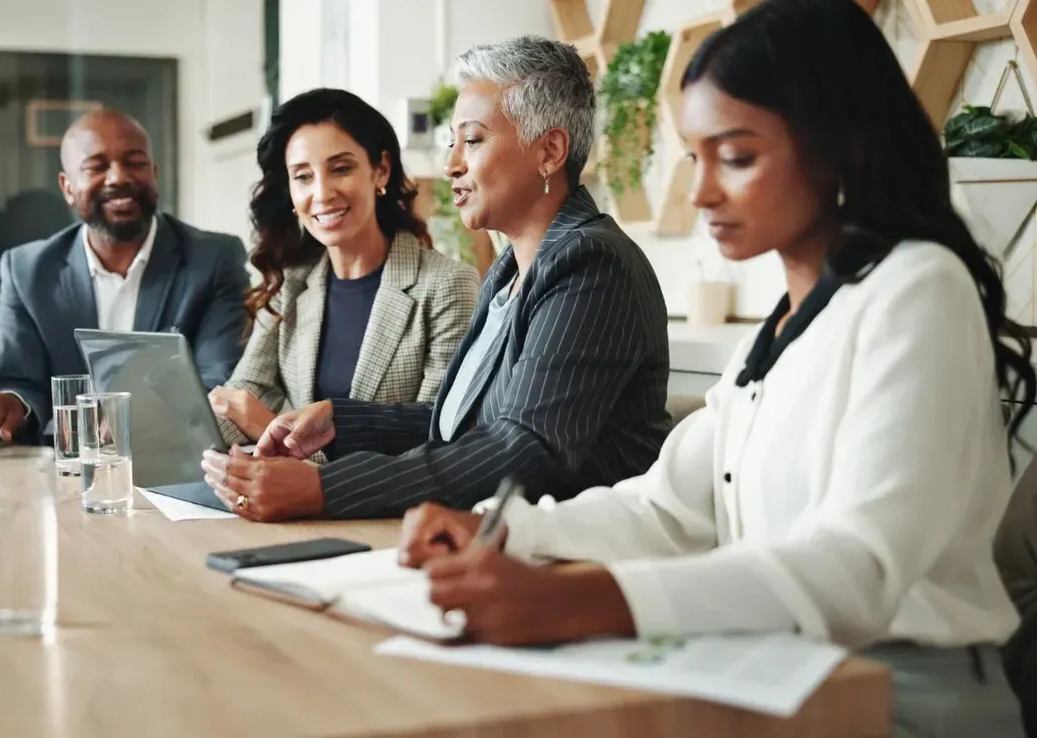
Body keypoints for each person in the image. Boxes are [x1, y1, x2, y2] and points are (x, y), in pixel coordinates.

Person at [397, 2, 1035, 735]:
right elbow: (665, 509)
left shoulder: (920, 290)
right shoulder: (781, 329)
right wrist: (498, 530)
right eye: (695, 157)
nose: (700, 192)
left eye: (735, 157)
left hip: (901, 697)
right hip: (776, 674)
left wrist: (578, 601)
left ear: (839, 144)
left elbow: (856, 565)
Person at [202, 36, 670, 521]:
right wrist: (339, 421)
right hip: (498, 542)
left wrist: (324, 487)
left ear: (549, 151)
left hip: (575, 560)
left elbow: (525, 450)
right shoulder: (510, 271)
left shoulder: (591, 263)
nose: (451, 165)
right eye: (453, 142)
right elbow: (460, 423)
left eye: (472, 140)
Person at [0, 108, 250, 449]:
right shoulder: (27, 270)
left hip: (177, 461)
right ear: (67, 187)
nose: (118, 177)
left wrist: (141, 417)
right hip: (63, 467)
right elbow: (18, 381)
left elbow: (219, 378)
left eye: (134, 162)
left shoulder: (213, 259)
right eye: (97, 166)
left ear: (154, 174)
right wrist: (7, 404)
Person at [208, 88, 480, 448]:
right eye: (303, 176)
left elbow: (436, 435)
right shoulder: (291, 281)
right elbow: (245, 394)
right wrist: (162, 430)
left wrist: (269, 430)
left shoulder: (447, 285)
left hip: (380, 502)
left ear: (380, 171)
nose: (322, 193)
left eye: (340, 169)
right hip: (280, 497)